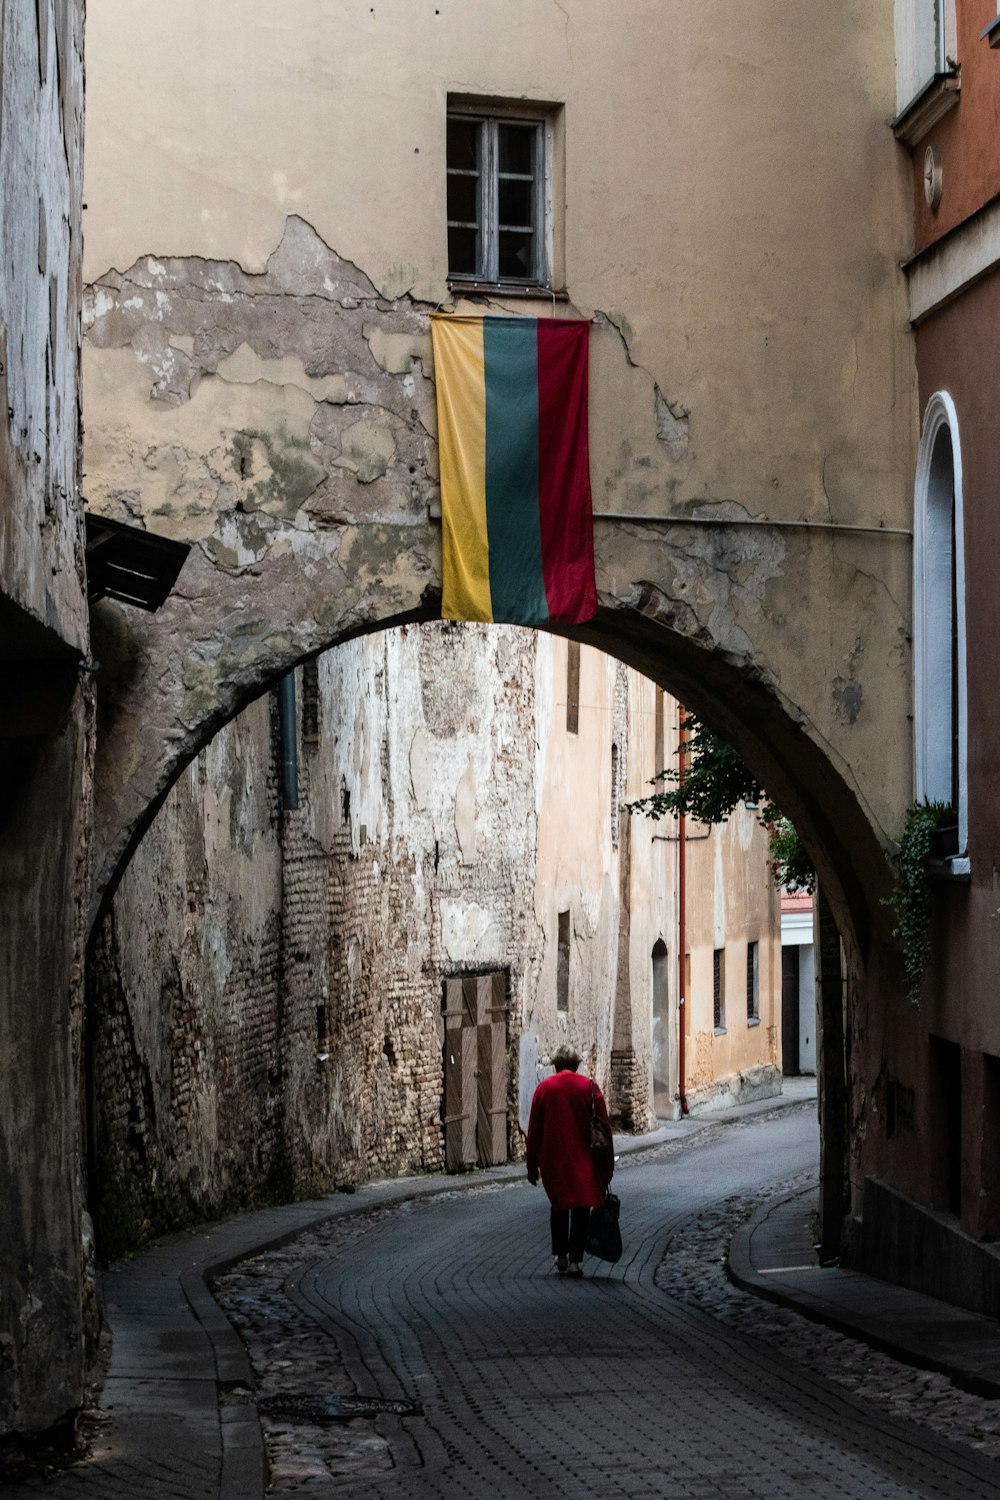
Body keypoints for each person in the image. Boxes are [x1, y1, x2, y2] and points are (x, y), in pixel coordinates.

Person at [525, 1044, 613, 1277]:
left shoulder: (544, 1089)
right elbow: (604, 1126)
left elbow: (534, 1130)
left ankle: (560, 1255)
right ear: (576, 1066)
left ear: (555, 1066)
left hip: (554, 1159)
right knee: (582, 1209)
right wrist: (607, 1166)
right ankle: (576, 1261)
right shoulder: (590, 1088)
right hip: (584, 1158)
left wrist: (531, 1165)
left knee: (559, 1206)